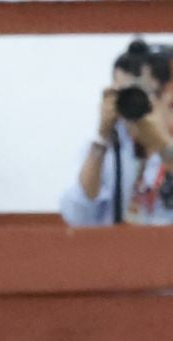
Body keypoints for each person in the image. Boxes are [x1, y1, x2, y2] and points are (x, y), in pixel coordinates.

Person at [62, 39, 173, 227]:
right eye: (123, 93)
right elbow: (78, 217)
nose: (132, 101)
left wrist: (162, 145)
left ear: (167, 97)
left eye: (143, 93)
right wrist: (102, 137)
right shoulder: (108, 149)